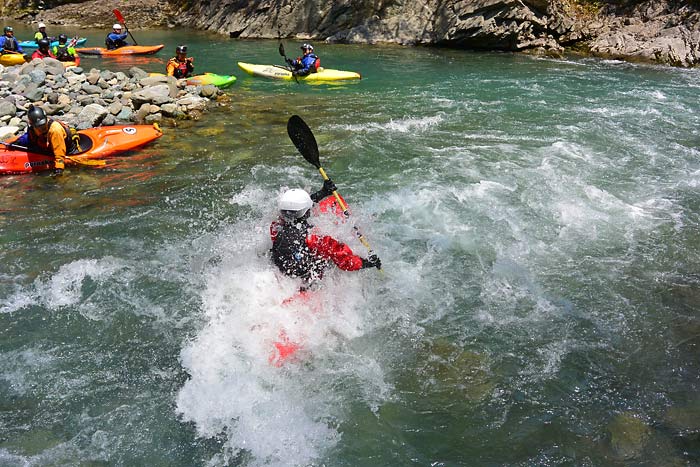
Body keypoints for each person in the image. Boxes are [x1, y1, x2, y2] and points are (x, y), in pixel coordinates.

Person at [270, 180, 381, 285]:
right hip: (308, 283)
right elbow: (346, 262)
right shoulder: (316, 239)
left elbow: (293, 210)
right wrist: (367, 263)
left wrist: (322, 193)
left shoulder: (275, 228)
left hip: (285, 275)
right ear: (308, 212)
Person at [9, 106, 77, 175]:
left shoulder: (55, 130)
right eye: (39, 127)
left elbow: (59, 154)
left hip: (62, 148)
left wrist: (59, 169)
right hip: (45, 145)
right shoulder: (33, 127)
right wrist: (18, 142)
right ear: (32, 124)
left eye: (43, 125)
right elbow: (29, 137)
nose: (42, 128)